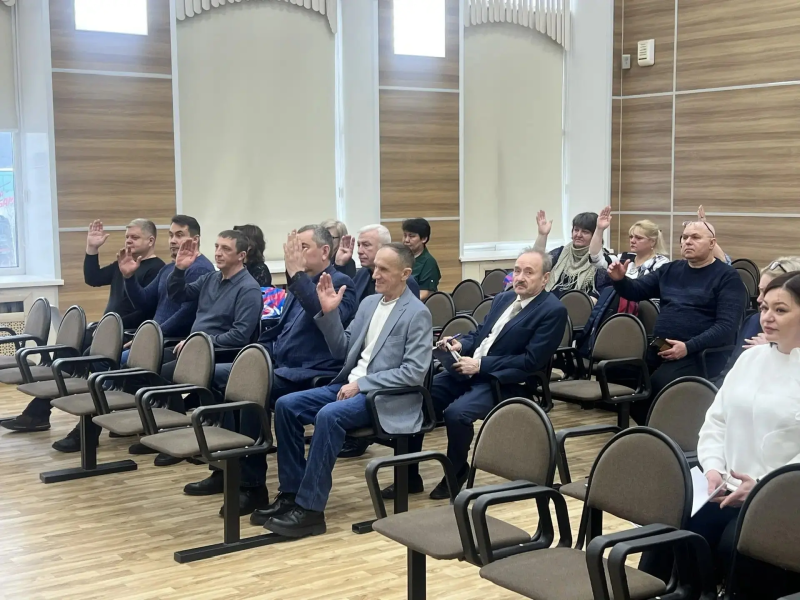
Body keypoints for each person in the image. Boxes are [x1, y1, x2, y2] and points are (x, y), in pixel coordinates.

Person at [253, 243, 432, 539]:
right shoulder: (369, 303)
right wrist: (329, 315)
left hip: (384, 397)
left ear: (405, 274)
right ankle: (291, 494)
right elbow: (342, 350)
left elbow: (413, 372)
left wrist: (362, 384)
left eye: (384, 269)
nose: (375, 274)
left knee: (329, 415)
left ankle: (310, 510)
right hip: (349, 386)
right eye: (374, 267)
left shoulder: (417, 313)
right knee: (286, 406)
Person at [641, 271, 800, 598]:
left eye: (781, 310)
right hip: (725, 483)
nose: (767, 317)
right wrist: (712, 466)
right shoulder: (751, 358)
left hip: (781, 496)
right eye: (765, 308)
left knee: (734, 545)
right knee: (669, 526)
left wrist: (764, 486)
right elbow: (717, 421)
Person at [184, 226, 357, 516]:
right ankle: (226, 467)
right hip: (279, 364)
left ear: (325, 251)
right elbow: (278, 330)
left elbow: (328, 321)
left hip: (311, 372)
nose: (296, 253)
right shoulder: (301, 282)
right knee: (217, 374)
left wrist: (297, 277)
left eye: (303, 247)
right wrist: (254, 354)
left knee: (250, 390)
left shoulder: (340, 283)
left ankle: (252, 486)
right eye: (295, 247)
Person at [387, 249, 568, 499]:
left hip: (506, 381)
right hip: (470, 370)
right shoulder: (504, 298)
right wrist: (460, 345)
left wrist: (481, 365)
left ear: (545, 278)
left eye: (529, 272)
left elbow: (530, 361)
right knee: (417, 398)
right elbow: (480, 335)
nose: (520, 277)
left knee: (457, 414)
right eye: (517, 271)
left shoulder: (552, 310)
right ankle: (409, 477)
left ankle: (456, 473)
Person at [0, 219, 165, 435]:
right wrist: (92, 249)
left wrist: (108, 329)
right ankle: (41, 413)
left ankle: (46, 416)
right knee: (66, 356)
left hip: (127, 334)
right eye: (127, 237)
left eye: (135, 237)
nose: (129, 241)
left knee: (76, 361)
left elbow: (146, 310)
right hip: (108, 330)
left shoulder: (157, 269)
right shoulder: (124, 262)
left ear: (150, 240)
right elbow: (93, 278)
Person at [608, 221, 746, 425]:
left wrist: (687, 347)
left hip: (699, 352)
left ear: (712, 243)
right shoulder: (671, 270)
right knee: (616, 372)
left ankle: (658, 431)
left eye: (695, 237)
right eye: (685, 237)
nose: (687, 241)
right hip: (662, 344)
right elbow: (635, 291)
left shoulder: (727, 277)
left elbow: (726, 327)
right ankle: (650, 425)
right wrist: (620, 280)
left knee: (656, 385)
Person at [715, 256, 800, 384]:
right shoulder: (754, 321)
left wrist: (775, 351)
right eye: (760, 291)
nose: (759, 299)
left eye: (780, 310)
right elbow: (729, 371)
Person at [533, 210, 612, 299]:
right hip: (549, 303)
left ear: (595, 235)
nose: (578, 235)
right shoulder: (560, 253)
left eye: (585, 232)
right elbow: (536, 262)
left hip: (578, 305)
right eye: (576, 230)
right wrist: (542, 235)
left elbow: (600, 294)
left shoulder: (602, 260)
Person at [334, 224, 421, 304]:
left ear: (384, 247)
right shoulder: (362, 273)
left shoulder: (403, 281)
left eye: (366, 245)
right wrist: (340, 264)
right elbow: (345, 302)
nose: (359, 251)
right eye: (359, 245)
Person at [589, 208, 669, 285]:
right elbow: (596, 259)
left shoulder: (661, 263)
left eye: (638, 238)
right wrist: (599, 229)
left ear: (652, 242)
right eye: (631, 237)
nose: (632, 241)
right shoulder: (624, 257)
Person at [402, 218, 441, 300]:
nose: (406, 240)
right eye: (405, 235)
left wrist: (401, 302)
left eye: (411, 236)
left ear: (424, 239)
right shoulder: (400, 257)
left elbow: (424, 293)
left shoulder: (429, 262)